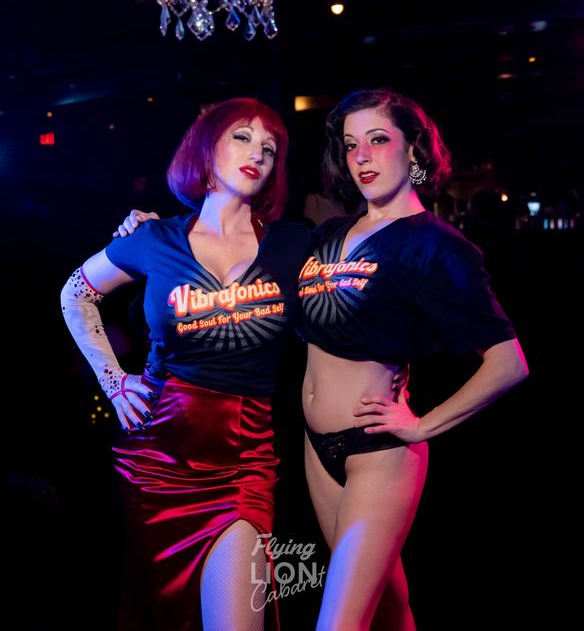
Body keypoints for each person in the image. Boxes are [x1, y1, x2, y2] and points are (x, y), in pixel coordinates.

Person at [114, 87, 528, 631]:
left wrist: (423, 425)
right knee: (389, 608)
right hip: (316, 451)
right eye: (351, 144)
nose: (362, 156)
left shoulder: (437, 245)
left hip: (379, 453)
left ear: (414, 150)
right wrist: (154, 227)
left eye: (378, 140)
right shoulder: (328, 235)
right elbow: (238, 244)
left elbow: (509, 362)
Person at [60, 98, 316, 631]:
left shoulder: (295, 245)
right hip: (156, 458)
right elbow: (75, 294)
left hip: (243, 462)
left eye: (269, 148)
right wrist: (113, 381)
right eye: (242, 137)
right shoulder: (154, 238)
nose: (257, 154)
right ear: (205, 148)